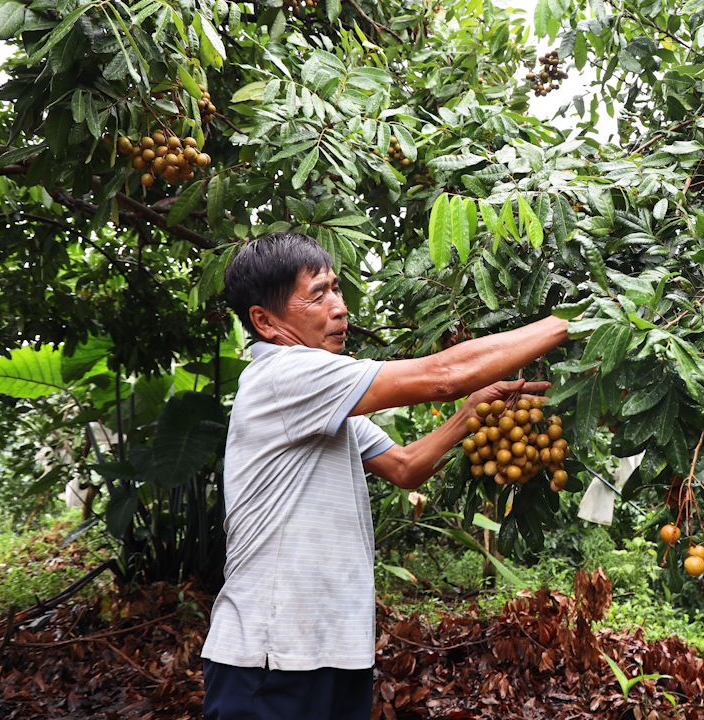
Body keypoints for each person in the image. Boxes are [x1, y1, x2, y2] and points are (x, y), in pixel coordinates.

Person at [201, 231, 569, 719]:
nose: (339, 307)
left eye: (336, 288)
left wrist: (473, 411)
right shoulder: (286, 375)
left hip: (330, 653)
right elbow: (442, 376)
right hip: (271, 659)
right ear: (265, 322)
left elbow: (405, 467)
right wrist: (572, 322)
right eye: (318, 294)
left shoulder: (323, 395)